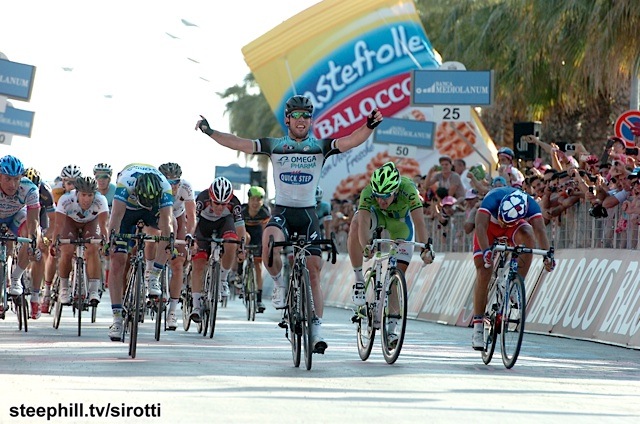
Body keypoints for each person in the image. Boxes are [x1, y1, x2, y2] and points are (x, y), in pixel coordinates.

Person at [196, 94, 383, 354]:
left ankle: (316, 331)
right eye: (296, 115)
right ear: (287, 119)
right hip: (282, 212)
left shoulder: (320, 146)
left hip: (307, 215)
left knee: (313, 272)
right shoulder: (275, 145)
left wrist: (369, 125)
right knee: (269, 240)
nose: (301, 119)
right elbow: (239, 143)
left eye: (306, 115)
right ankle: (279, 285)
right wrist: (210, 132)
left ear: (311, 120)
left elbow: (351, 141)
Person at [472, 186, 555, 350]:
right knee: (484, 270)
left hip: (514, 228)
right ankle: (478, 327)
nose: (502, 223)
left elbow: (540, 230)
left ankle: (515, 284)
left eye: (505, 221)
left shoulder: (531, 205)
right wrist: (486, 250)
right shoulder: (492, 199)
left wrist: (548, 255)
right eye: (501, 218)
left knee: (529, 235)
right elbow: (480, 226)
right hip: (488, 228)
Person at [106, 164, 174, 341]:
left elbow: (167, 223)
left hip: (153, 211)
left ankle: (154, 276)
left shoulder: (165, 186)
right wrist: (110, 242)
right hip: (128, 211)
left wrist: (169, 244)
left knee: (169, 230)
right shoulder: (125, 182)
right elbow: (116, 217)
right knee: (117, 260)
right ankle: (117, 319)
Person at [190, 177, 246, 323]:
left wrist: (241, 248)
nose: (220, 208)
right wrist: (192, 240)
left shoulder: (235, 203)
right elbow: (193, 222)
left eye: (224, 204)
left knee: (232, 243)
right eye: (216, 203)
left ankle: (222, 279)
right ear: (210, 198)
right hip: (203, 226)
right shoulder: (201, 199)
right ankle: (196, 306)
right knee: (199, 263)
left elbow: (240, 228)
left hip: (224, 224)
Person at [50, 176, 108, 305]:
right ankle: (64, 288)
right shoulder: (66, 199)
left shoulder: (101, 200)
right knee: (67, 249)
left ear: (94, 194)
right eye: (83, 195)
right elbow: (58, 225)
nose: (87, 199)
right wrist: (54, 243)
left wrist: (106, 244)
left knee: (93, 248)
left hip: (91, 222)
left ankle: (93, 290)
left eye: (90, 195)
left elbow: (103, 225)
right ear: (77, 193)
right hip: (70, 221)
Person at [158, 162, 196, 330]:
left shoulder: (186, 187)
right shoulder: (155, 185)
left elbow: (191, 216)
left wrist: (189, 234)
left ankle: (172, 311)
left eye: (176, 182)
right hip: (159, 216)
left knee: (178, 263)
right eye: (169, 182)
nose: (173, 186)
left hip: (179, 217)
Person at [0, 156, 41, 310]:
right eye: (8, 179)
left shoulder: (30, 189)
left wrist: (33, 242)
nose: (12, 184)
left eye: (16, 179)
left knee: (32, 234)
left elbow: (33, 220)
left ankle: (16, 277)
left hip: (15, 217)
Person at [23, 167, 54, 316]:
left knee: (40, 251)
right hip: (19, 215)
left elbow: (53, 220)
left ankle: (35, 297)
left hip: (39, 215)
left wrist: (46, 237)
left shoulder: (45, 191)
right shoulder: (13, 188)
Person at [235, 185, 270, 313]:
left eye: (258, 200)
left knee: (258, 265)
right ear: (248, 200)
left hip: (258, 233)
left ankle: (259, 299)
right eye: (253, 199)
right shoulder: (242, 211)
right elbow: (237, 229)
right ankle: (239, 273)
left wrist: (266, 246)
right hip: (245, 232)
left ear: (262, 201)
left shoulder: (265, 212)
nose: (255, 203)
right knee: (245, 239)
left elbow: (266, 232)